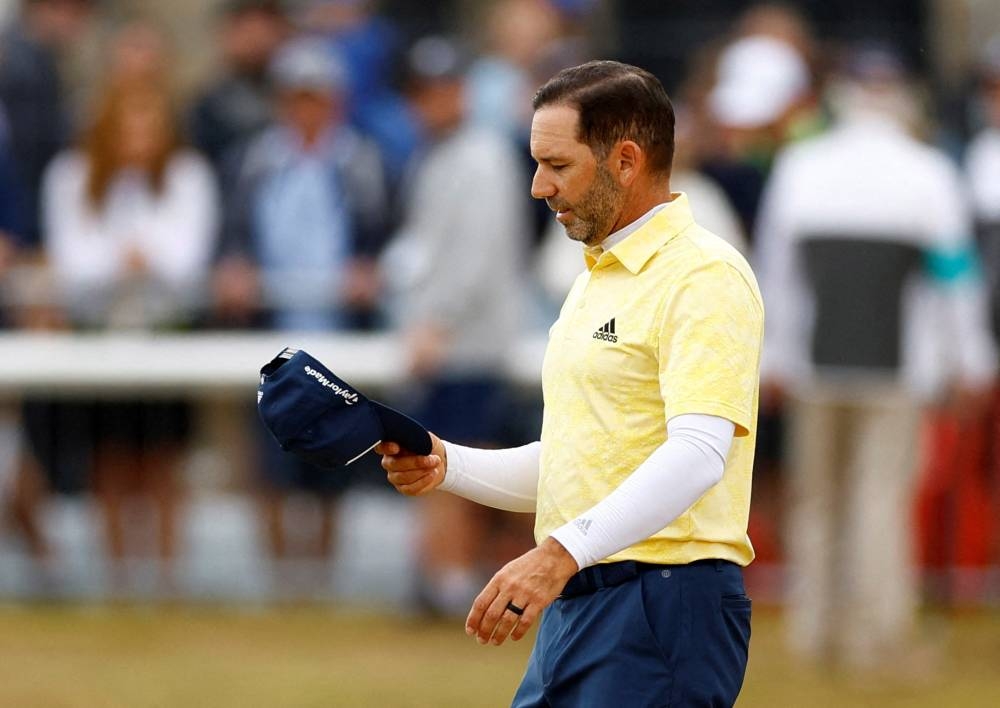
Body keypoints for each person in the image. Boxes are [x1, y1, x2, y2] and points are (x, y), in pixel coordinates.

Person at [379, 60, 762, 706]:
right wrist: (449, 465)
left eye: (557, 166)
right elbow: (574, 461)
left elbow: (699, 453)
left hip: (663, 604)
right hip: (581, 603)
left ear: (626, 161)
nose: (537, 186)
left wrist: (557, 555)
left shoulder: (704, 276)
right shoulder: (594, 279)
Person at [754, 45, 997, 671]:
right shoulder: (927, 173)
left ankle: (818, 633)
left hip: (813, 363)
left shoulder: (803, 166)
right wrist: (970, 362)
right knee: (878, 499)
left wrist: (770, 356)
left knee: (818, 499)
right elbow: (954, 278)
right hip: (896, 368)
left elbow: (776, 275)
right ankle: (875, 634)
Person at [38, 76, 219, 592]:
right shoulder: (72, 175)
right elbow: (73, 265)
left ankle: (167, 578)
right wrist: (128, 261)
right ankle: (117, 577)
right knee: (109, 459)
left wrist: (137, 259)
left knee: (164, 460)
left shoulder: (187, 175)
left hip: (167, 332)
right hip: (98, 334)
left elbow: (187, 264)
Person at [379, 35, 535, 616]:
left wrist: (434, 324)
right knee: (460, 466)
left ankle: (451, 580)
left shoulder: (480, 156)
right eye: (424, 92)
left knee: (453, 466)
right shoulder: (441, 155)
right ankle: (447, 577)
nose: (433, 101)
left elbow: (475, 254)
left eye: (442, 89)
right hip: (446, 341)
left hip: (464, 345)